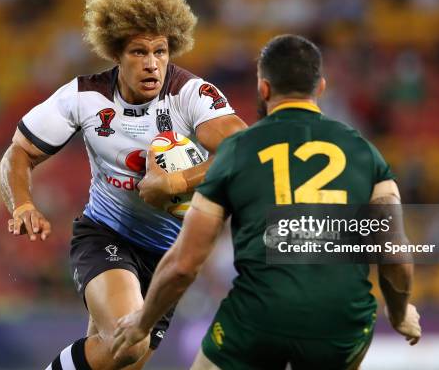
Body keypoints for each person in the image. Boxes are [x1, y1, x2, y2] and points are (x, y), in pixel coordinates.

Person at [112, 34, 422, 370]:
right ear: (320, 88)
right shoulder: (365, 152)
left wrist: (142, 322)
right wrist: (400, 309)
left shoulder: (237, 150)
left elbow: (184, 265)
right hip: (342, 319)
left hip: (259, 316)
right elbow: (395, 254)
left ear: (263, 88)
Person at [0, 0, 247, 370]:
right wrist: (23, 203)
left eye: (160, 51)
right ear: (116, 54)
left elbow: (244, 148)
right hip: (106, 235)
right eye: (139, 51)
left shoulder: (190, 94)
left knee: (117, 362)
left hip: (170, 258)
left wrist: (177, 182)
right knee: (126, 344)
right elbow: (18, 152)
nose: (152, 63)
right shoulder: (83, 96)